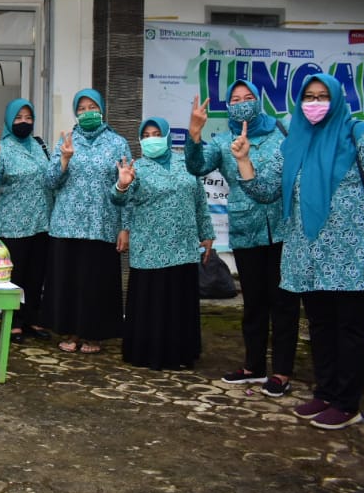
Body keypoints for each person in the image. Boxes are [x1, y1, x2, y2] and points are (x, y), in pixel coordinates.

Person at [236, 73, 364, 430]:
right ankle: (326, 393)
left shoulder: (360, 135)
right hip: (308, 253)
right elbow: (266, 189)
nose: (315, 103)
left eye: (322, 96)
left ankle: (348, 404)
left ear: (335, 100)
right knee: (320, 325)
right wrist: (244, 160)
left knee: (350, 328)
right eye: (309, 97)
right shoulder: (294, 143)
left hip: (351, 252)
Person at [185, 81, 295, 395]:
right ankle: (254, 366)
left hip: (283, 229)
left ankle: (283, 372)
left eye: (248, 97)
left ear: (259, 102)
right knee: (255, 302)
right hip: (246, 231)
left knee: (284, 303)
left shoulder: (281, 134)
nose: (242, 102)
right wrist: (194, 132)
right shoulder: (222, 142)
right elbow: (196, 166)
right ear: (228, 107)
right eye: (235, 99)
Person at [112, 117, 214, 370]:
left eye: (156, 133)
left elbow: (200, 200)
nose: (151, 139)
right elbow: (120, 200)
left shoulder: (186, 162)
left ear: (167, 136)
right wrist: (121, 185)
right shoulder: (137, 168)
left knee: (179, 299)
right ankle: (150, 352)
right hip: (150, 245)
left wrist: (207, 233)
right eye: (145, 135)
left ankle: (181, 353)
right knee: (153, 300)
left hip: (183, 243)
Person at [42, 88, 131, 354]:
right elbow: (49, 182)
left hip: (102, 224)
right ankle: (69, 332)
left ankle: (94, 335)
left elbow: (127, 187)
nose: (87, 112)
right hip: (68, 224)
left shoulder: (117, 143)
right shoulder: (67, 141)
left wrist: (124, 227)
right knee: (68, 280)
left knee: (97, 282)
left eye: (92, 107)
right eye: (81, 108)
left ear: (102, 109)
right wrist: (64, 160)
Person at [0, 99, 53, 342]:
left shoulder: (40, 145)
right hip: (14, 222)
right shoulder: (3, 147)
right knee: (15, 276)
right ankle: (14, 322)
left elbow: (51, 178)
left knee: (36, 274)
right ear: (10, 120)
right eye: (18, 117)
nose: (24, 122)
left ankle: (32, 319)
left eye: (28, 118)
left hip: (42, 220)